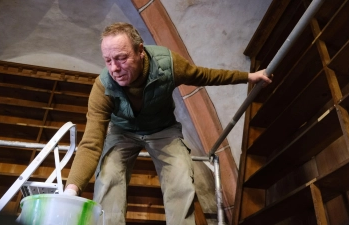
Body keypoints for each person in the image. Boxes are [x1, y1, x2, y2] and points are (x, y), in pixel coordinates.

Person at [64, 22, 272, 225]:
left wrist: (248, 77)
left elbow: (205, 75)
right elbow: (91, 142)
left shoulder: (168, 65)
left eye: (121, 58)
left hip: (162, 129)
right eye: (108, 60)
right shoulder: (103, 87)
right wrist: (71, 191)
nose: (114, 68)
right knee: (108, 177)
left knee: (181, 180)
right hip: (123, 132)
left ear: (140, 51)